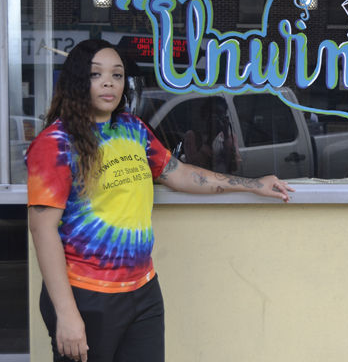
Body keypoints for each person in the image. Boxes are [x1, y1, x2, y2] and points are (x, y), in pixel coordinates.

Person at [26, 39, 294, 362]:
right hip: (87, 295)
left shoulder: (133, 130)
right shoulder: (55, 144)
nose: (109, 83)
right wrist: (67, 313)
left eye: (117, 75)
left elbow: (180, 174)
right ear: (77, 80)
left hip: (143, 292)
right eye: (96, 74)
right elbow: (42, 230)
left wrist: (253, 185)